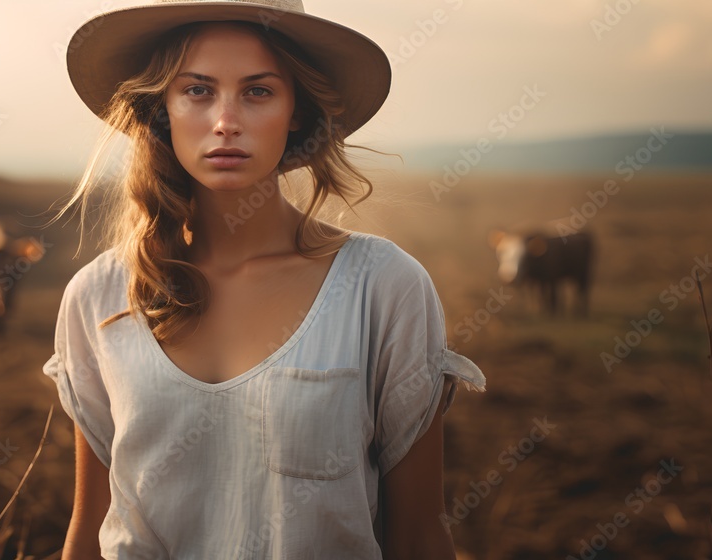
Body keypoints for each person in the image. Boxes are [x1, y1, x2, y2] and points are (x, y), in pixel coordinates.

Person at [42, 1, 487, 558]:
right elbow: (89, 530)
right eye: (198, 90)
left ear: (296, 110)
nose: (226, 121)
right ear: (163, 108)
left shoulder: (383, 286)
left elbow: (420, 534)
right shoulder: (99, 295)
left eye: (257, 91)